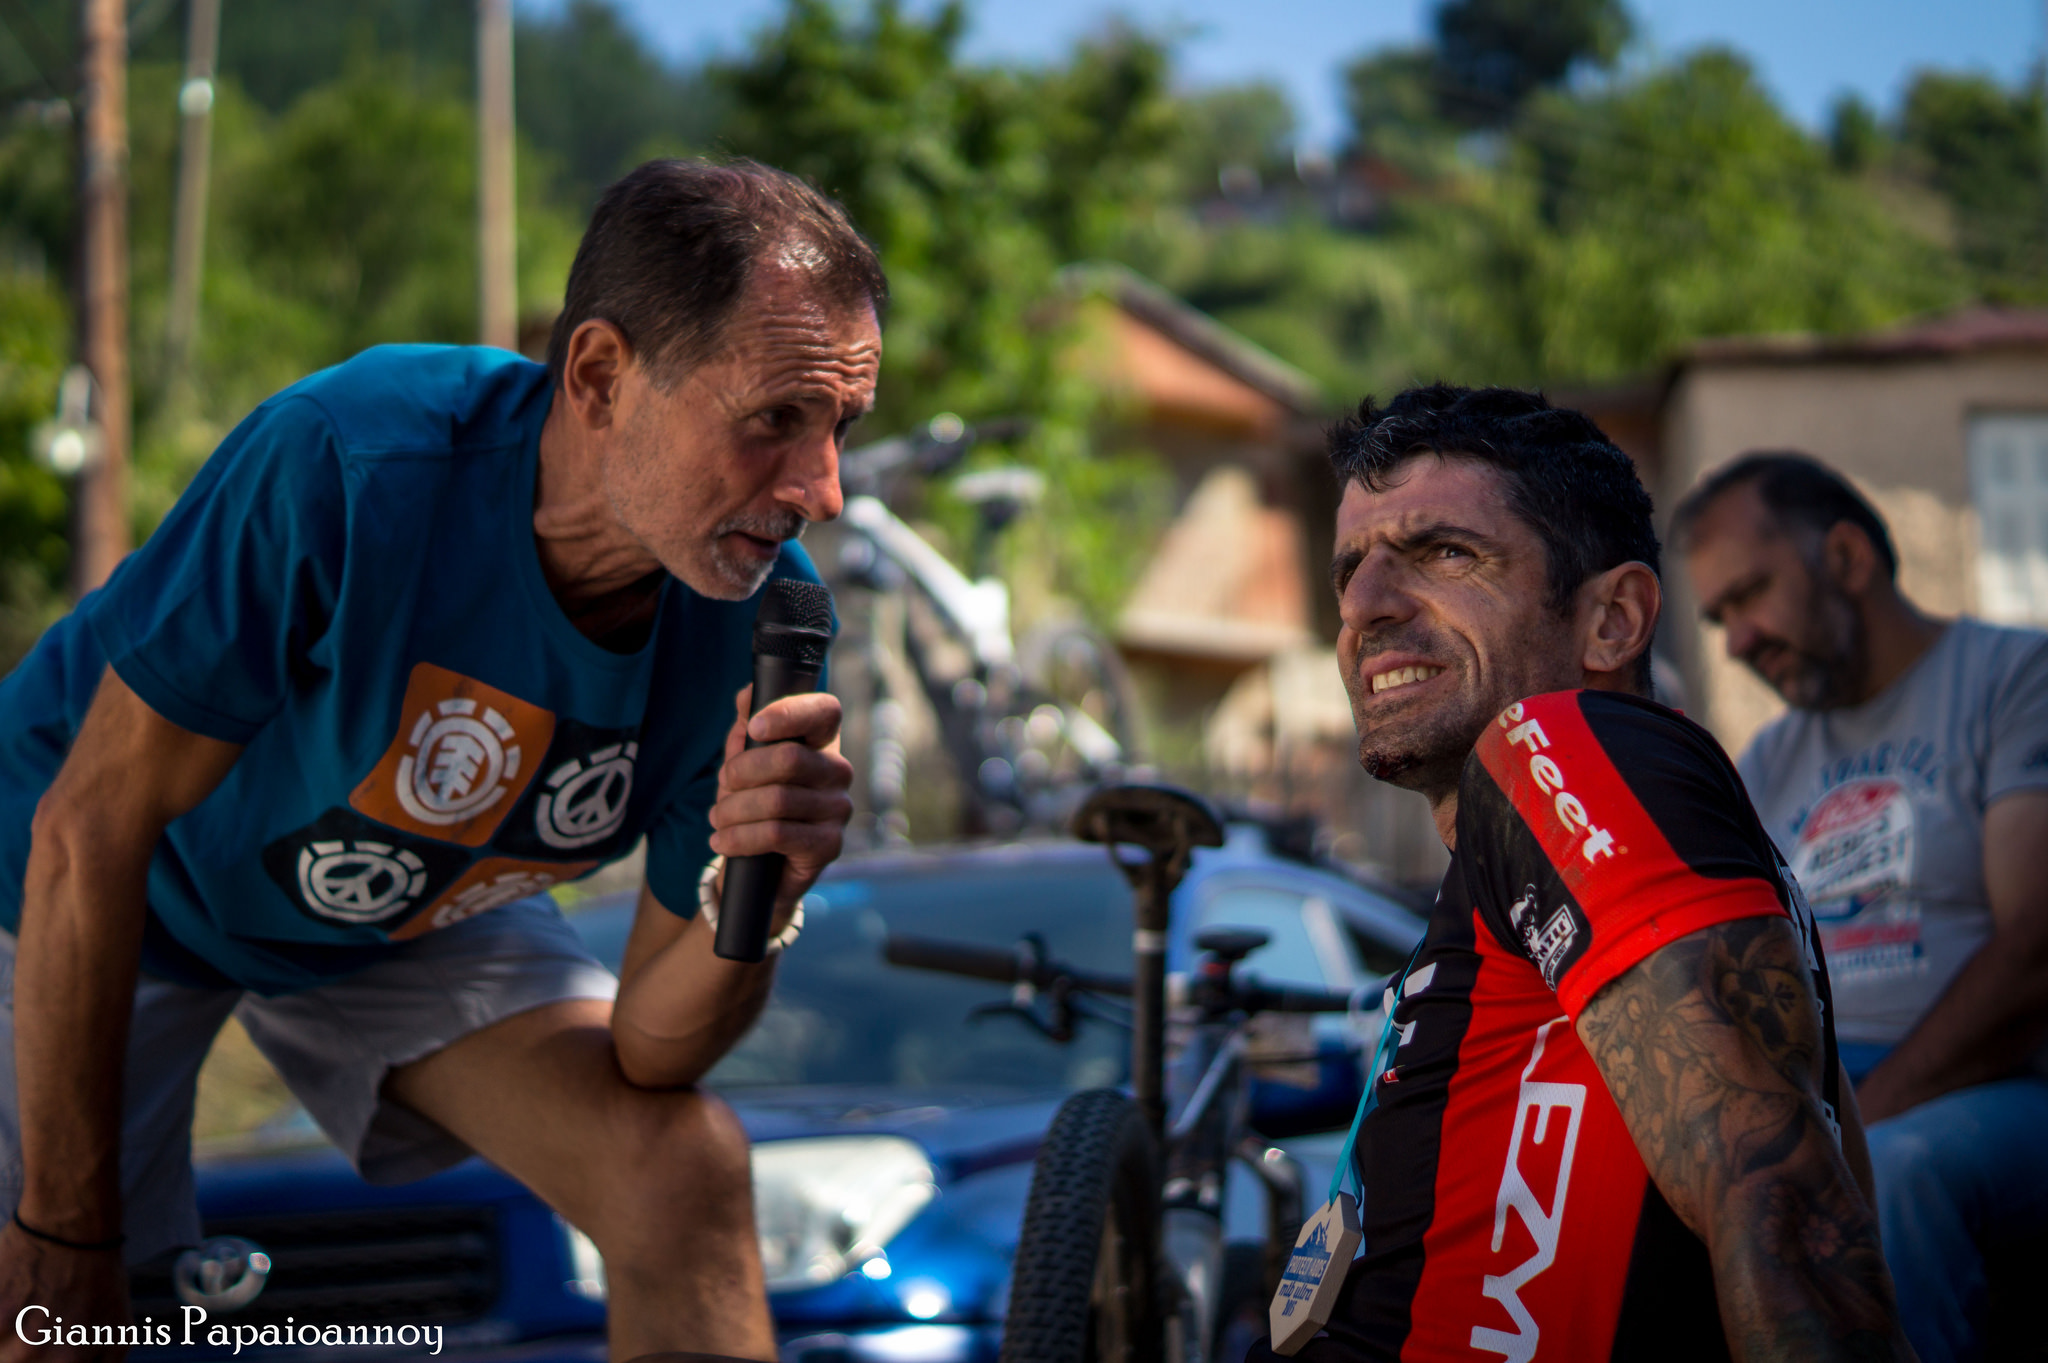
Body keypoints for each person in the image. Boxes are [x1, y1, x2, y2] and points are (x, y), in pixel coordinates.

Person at [0, 157, 880, 1362]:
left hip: (390, 910)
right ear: (599, 376)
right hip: (80, 882)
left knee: (677, 1168)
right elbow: (89, 826)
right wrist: (63, 1228)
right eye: (775, 418)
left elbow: (651, 1049)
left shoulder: (759, 618)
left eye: (840, 427)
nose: (822, 490)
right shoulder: (356, 460)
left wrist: (759, 884)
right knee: (49, 1314)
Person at [1254, 386, 1910, 1361]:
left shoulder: (1555, 743)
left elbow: (1775, 1194)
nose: (1363, 607)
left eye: (1444, 553)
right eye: (1351, 568)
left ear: (1612, 619)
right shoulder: (1535, 854)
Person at [1675, 453, 2048, 1363]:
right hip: (1830, 1094)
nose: (1736, 640)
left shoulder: (2015, 678)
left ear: (1846, 557)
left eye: (1751, 594)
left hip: (2000, 1085)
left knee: (1905, 1171)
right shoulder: (1767, 760)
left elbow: (2035, 948)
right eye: (1719, 617)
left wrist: (1856, 1124)